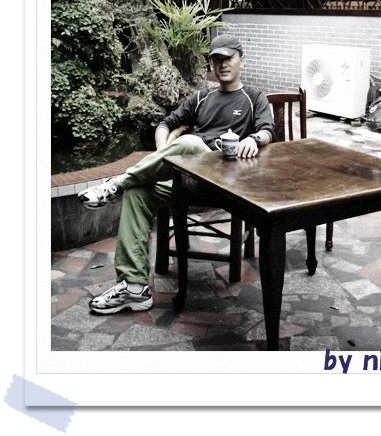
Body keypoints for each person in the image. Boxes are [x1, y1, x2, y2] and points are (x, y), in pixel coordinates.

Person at [78, 34, 275, 314]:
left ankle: (117, 182)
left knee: (191, 142)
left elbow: (267, 130)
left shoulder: (254, 98)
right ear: (211, 65)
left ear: (241, 60)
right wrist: (165, 154)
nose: (222, 64)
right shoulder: (202, 97)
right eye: (216, 59)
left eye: (228, 58)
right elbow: (165, 124)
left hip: (224, 185)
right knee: (138, 191)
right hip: (186, 180)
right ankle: (134, 288)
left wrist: (253, 139)